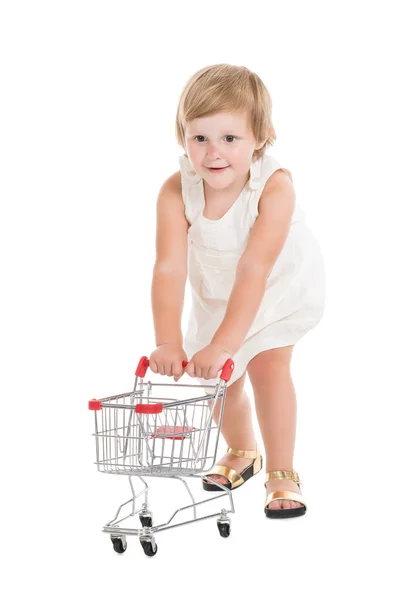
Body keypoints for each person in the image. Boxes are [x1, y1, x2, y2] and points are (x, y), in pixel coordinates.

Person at [149, 64, 326, 519]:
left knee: (267, 366)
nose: (213, 153)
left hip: (275, 290)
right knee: (217, 381)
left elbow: (255, 267)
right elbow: (169, 267)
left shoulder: (273, 186)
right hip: (217, 295)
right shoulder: (176, 189)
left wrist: (226, 343)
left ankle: (282, 471)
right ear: (182, 137)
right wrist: (168, 340)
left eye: (230, 138)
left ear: (261, 137)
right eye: (200, 138)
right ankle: (243, 452)